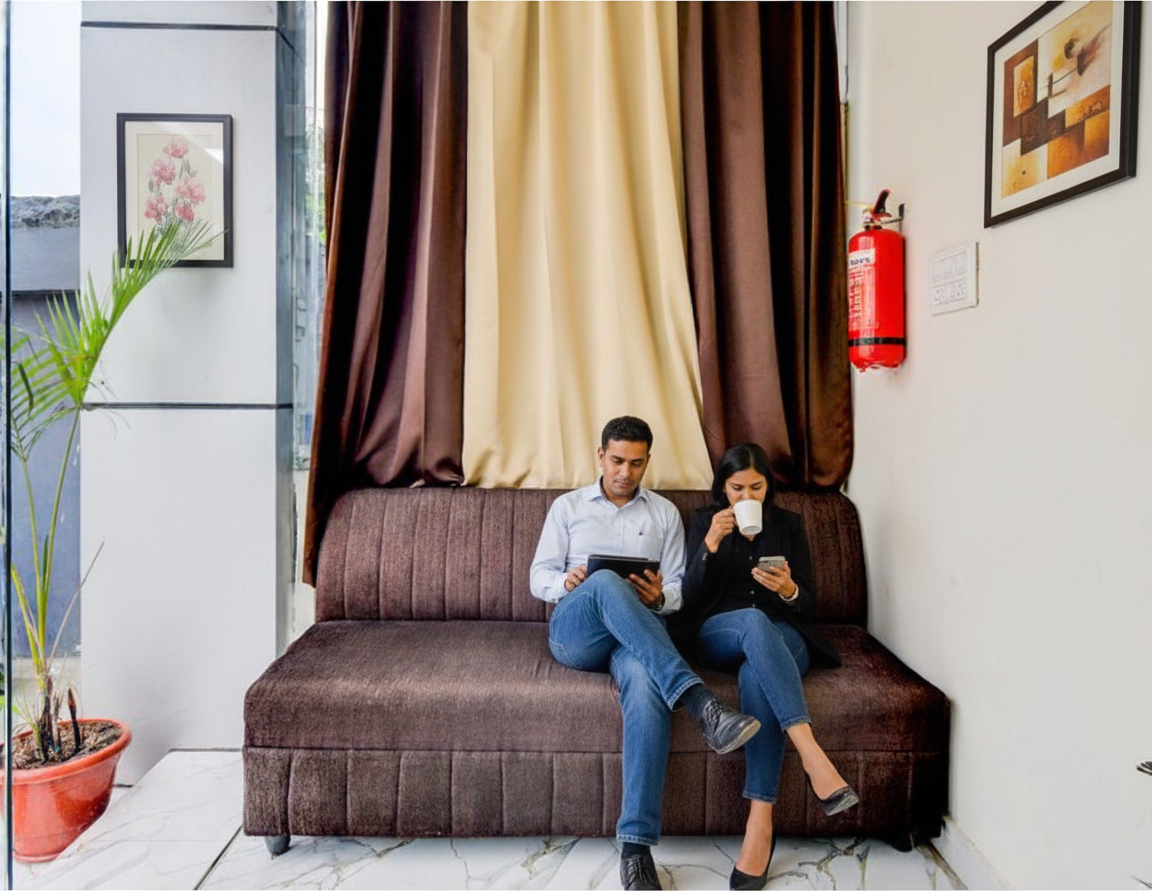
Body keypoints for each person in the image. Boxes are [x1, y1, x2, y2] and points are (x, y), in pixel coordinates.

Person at [530, 416, 762, 892]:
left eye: (636, 463)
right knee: (603, 583)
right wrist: (568, 582)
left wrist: (660, 597)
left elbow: (677, 588)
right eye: (617, 461)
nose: (625, 472)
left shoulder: (664, 514)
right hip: (578, 634)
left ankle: (636, 849)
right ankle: (700, 701)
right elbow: (538, 576)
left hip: (636, 640)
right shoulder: (568, 507)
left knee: (645, 685)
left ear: (647, 461)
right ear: (601, 456)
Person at [677, 443, 858, 891]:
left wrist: (790, 589)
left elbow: (808, 603)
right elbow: (689, 602)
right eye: (737, 488)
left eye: (756, 488)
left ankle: (760, 822)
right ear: (723, 487)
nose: (746, 497)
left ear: (768, 487)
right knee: (753, 622)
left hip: (783, 636)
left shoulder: (788, 524)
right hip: (722, 632)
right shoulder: (704, 521)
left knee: (755, 673)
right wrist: (710, 545)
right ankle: (812, 755)